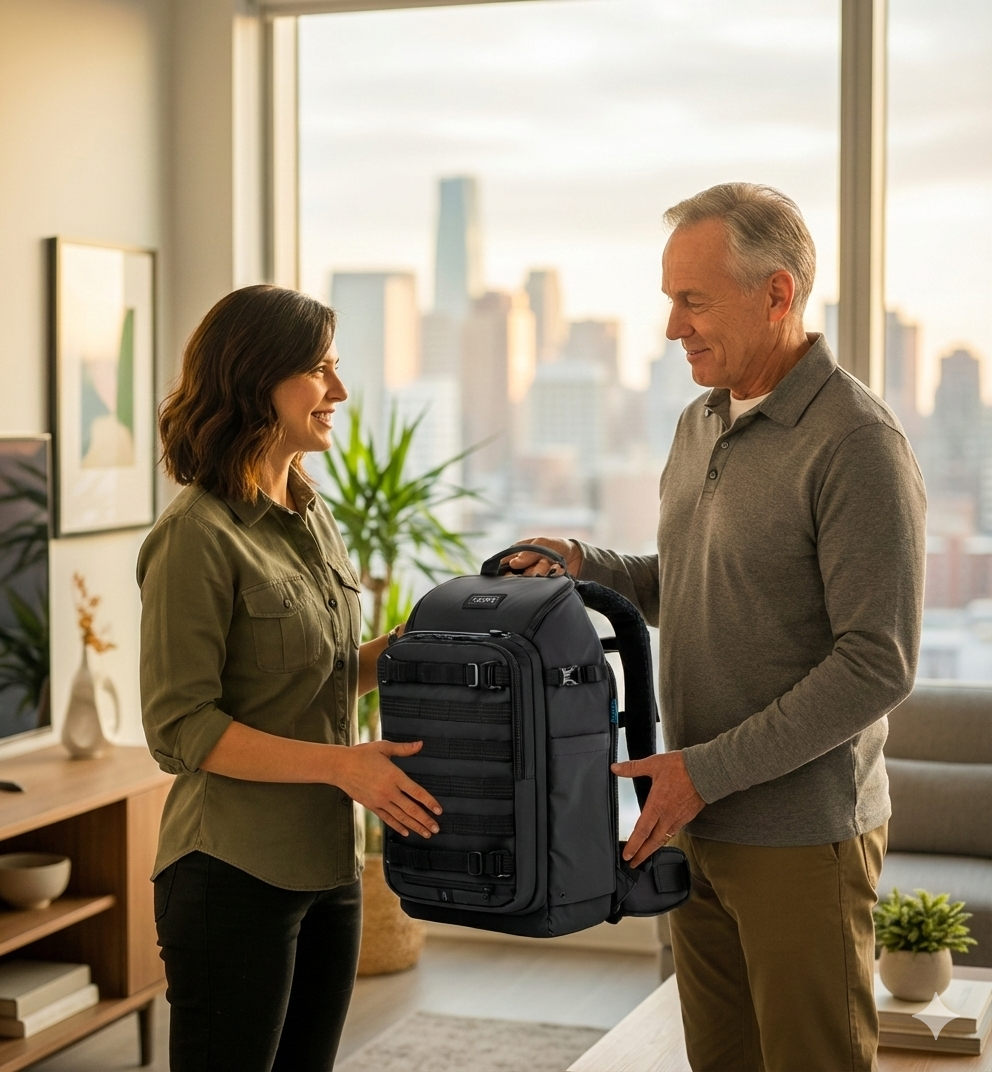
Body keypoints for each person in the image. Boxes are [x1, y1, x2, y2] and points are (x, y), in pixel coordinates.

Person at [508, 183, 926, 1071]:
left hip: (801, 836)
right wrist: (587, 566)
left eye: (692, 300)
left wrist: (702, 772)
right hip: (691, 817)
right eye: (669, 299)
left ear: (777, 294)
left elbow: (876, 663)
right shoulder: (699, 422)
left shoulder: (857, 443)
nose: (671, 327)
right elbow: (691, 584)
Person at [138, 285, 442, 1072]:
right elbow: (180, 728)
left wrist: (422, 641)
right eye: (318, 371)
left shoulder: (311, 514)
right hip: (229, 874)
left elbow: (328, 672)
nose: (338, 392)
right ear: (254, 381)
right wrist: (344, 768)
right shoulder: (195, 537)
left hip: (325, 867)